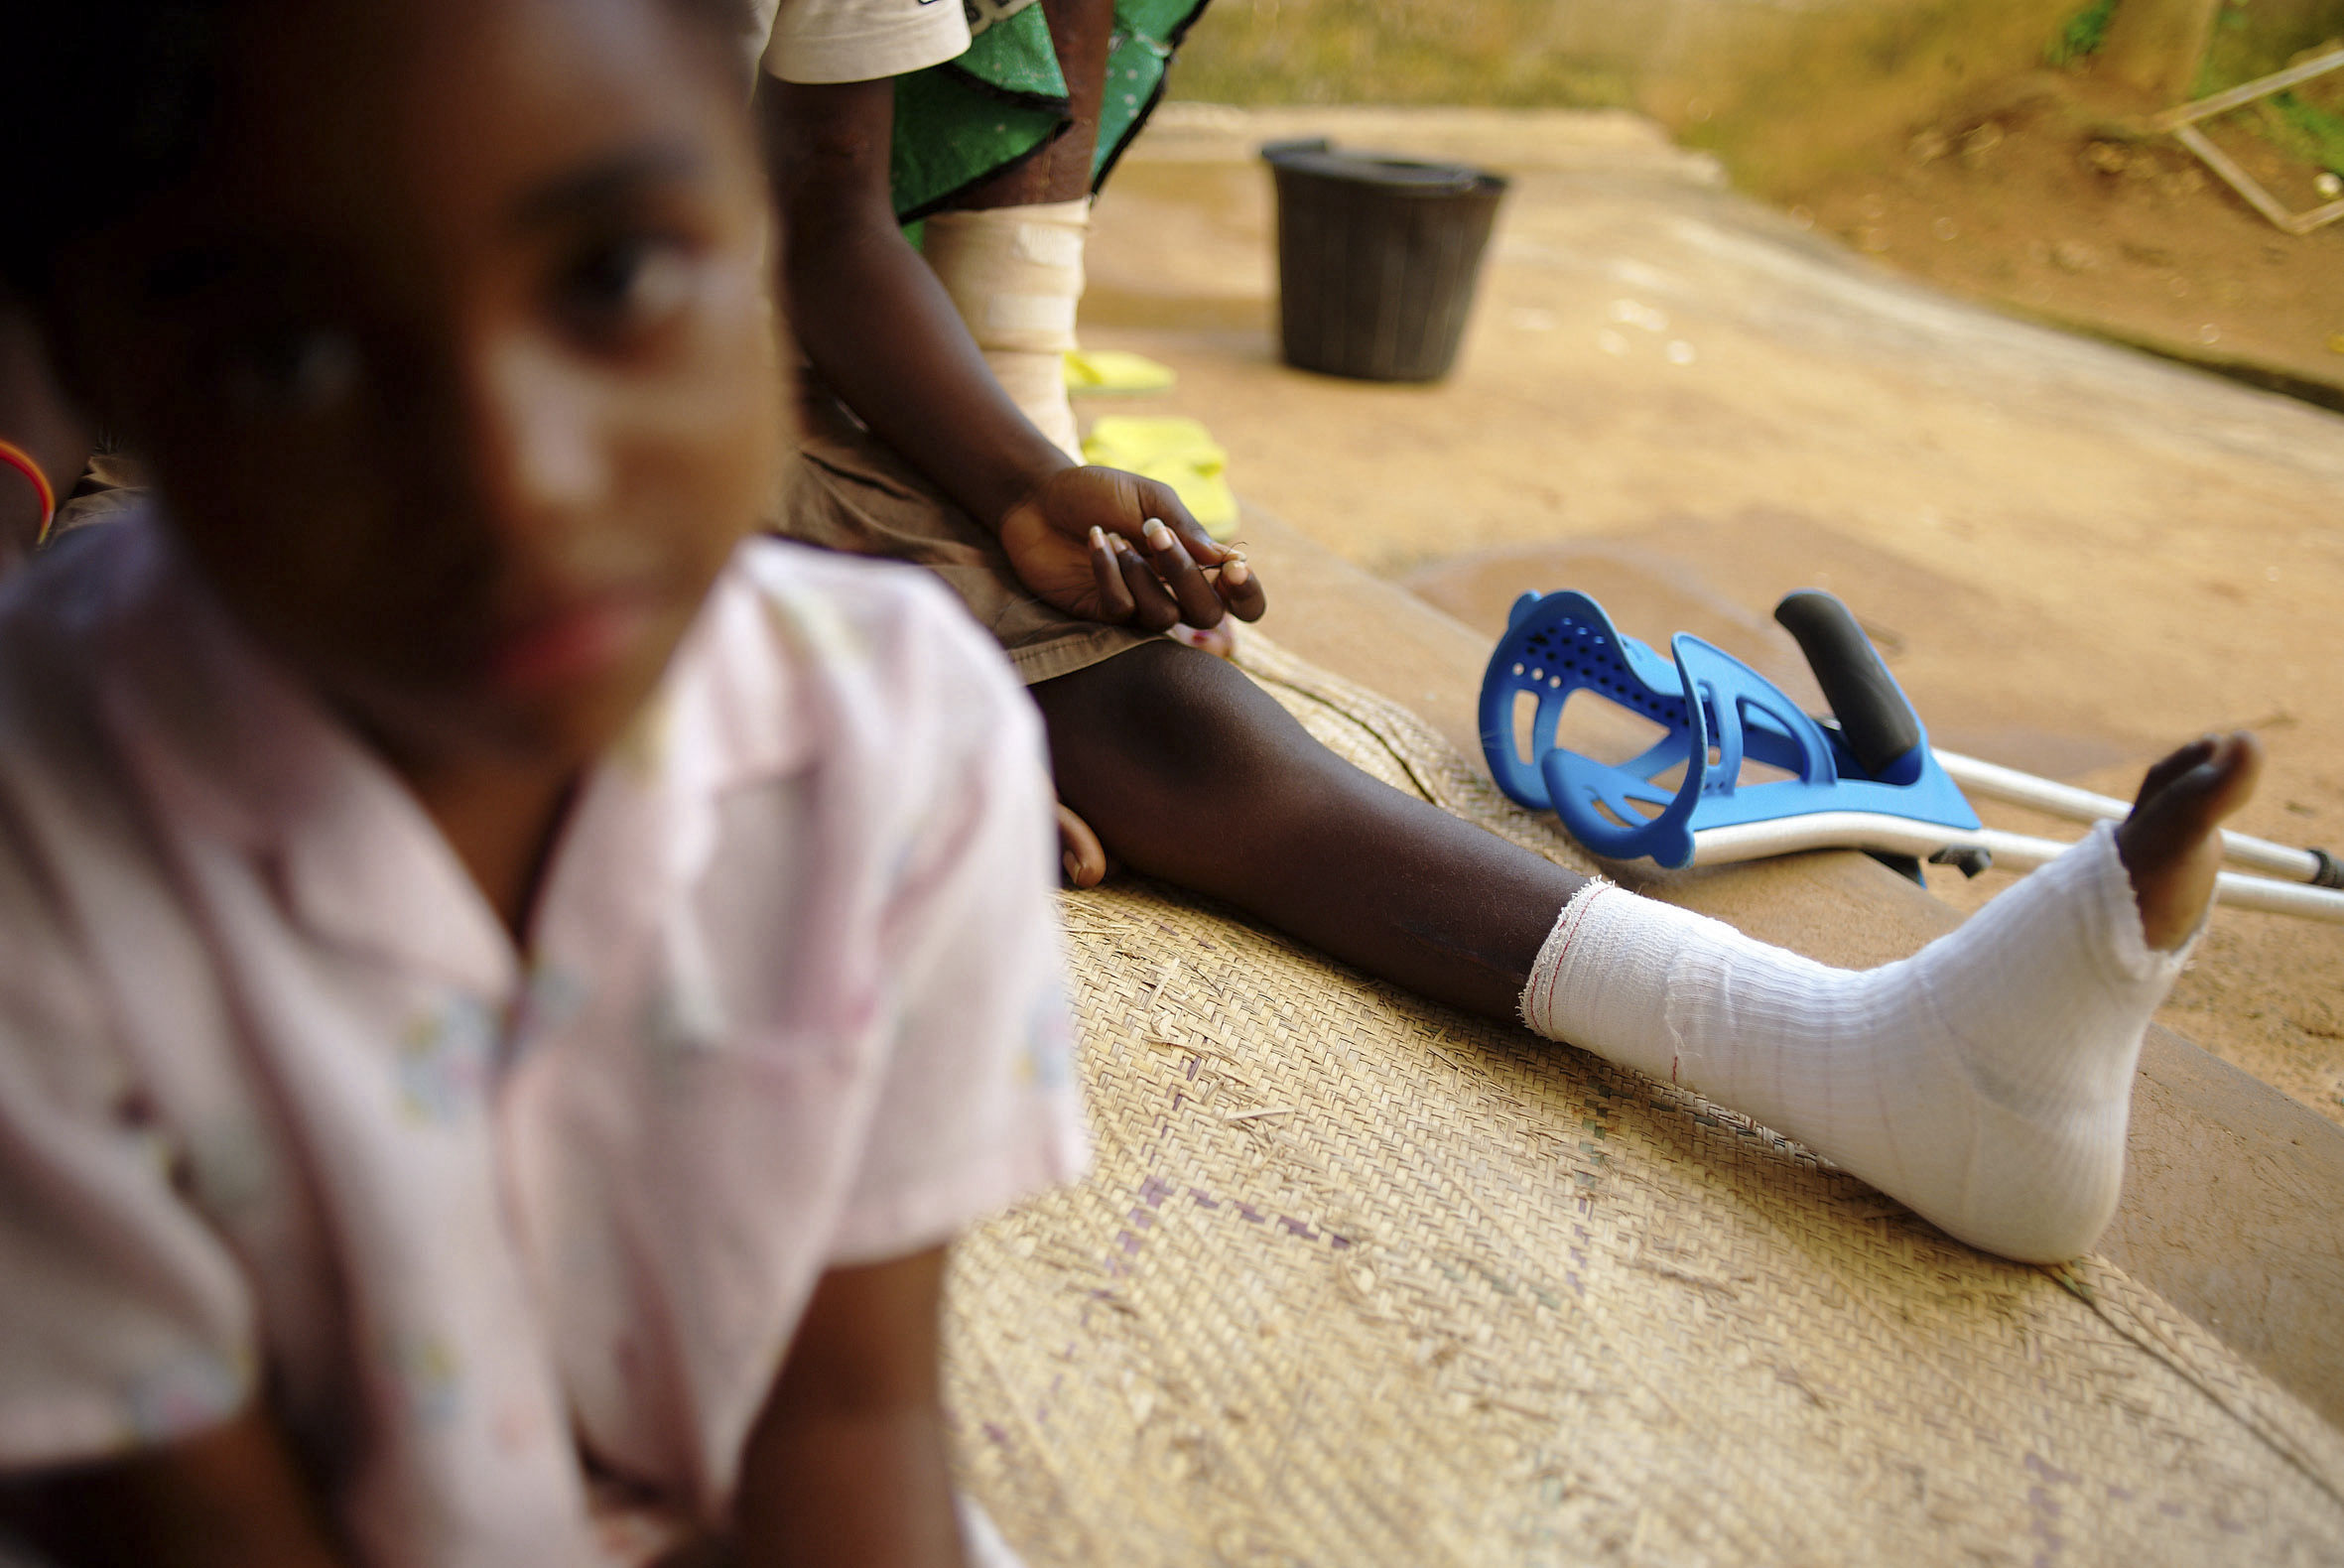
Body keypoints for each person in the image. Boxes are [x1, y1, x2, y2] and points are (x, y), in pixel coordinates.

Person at [757, 0, 2266, 1268]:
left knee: (1161, 718)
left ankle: (1885, 1064)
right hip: (547, 459)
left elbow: (825, 211)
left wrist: (1019, 483)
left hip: (714, 371)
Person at [0, 1, 1082, 1564]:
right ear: (93, 358)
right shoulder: (41, 837)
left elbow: (845, 1422)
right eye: (292, 357)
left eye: (616, 276)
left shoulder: (899, 744)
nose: (518, 484)